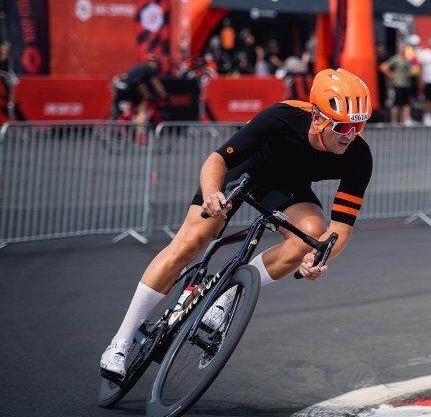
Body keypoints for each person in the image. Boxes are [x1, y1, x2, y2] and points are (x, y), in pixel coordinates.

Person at [100, 68, 374, 379]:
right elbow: (217, 160)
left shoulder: (359, 156)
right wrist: (213, 192)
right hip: (242, 171)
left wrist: (317, 259)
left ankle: (226, 296)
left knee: (311, 236)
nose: (350, 134)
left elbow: (341, 230)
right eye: (342, 125)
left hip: (285, 186)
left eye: (358, 124)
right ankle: (120, 342)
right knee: (191, 242)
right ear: (317, 118)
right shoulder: (281, 117)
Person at [120, 53, 168, 137]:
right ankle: (140, 135)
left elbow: (140, 84)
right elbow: (156, 84)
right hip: (130, 89)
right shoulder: (148, 70)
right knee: (143, 111)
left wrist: (147, 94)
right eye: (154, 62)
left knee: (131, 110)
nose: (156, 65)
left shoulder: (139, 68)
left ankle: (127, 125)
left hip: (121, 88)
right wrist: (163, 95)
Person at [380, 42, 415, 125]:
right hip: (398, 84)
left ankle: (405, 120)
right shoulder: (396, 58)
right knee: (396, 103)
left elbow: (415, 70)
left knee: (406, 103)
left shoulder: (409, 59)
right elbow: (383, 67)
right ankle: (394, 121)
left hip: (406, 84)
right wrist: (391, 75)